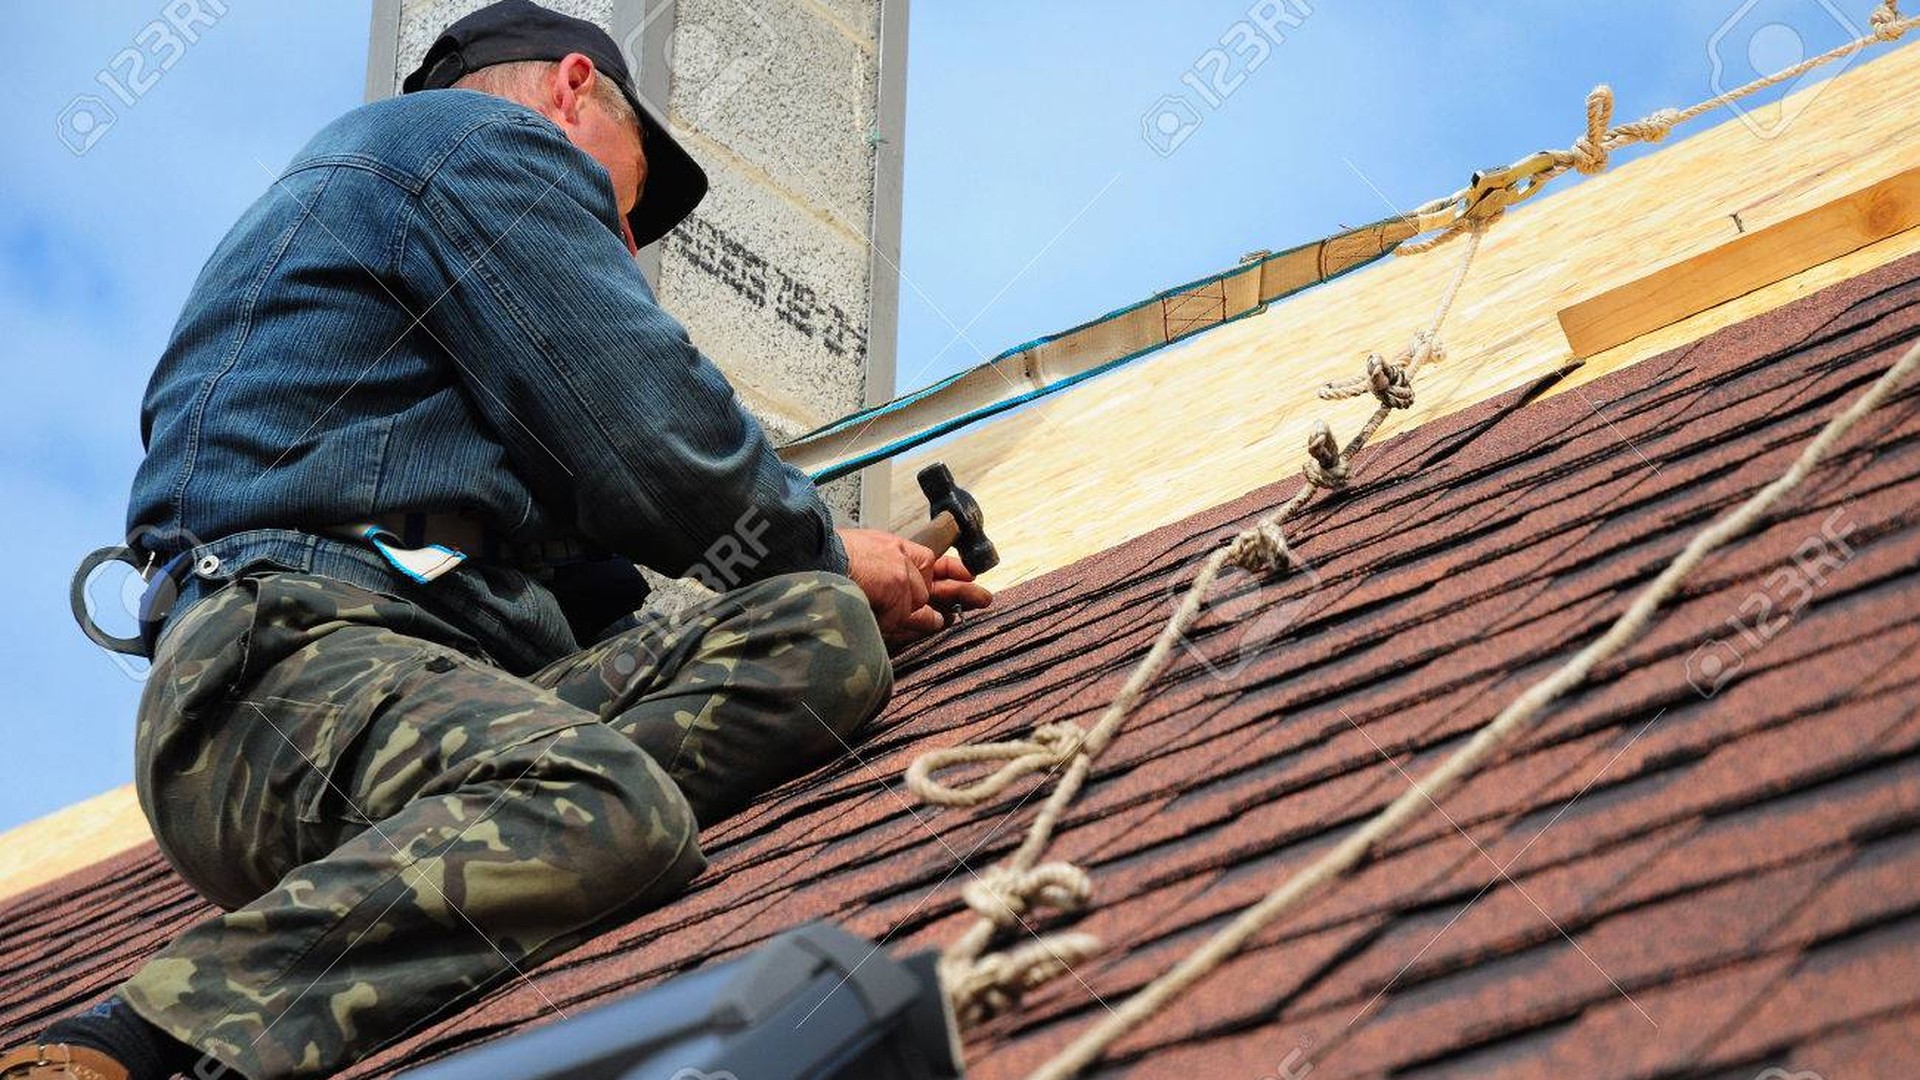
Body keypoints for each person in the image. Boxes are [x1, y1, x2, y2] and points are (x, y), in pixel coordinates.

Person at [0, 3, 988, 1078]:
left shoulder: (416, 317)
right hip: (280, 676)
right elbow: (648, 430)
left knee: (819, 635)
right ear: (571, 91)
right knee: (617, 803)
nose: (621, 242)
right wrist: (826, 542)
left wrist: (829, 583)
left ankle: (491, 826)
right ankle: (141, 1040)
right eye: (628, 203)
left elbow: (611, 582)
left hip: (423, 694)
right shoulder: (464, 145)